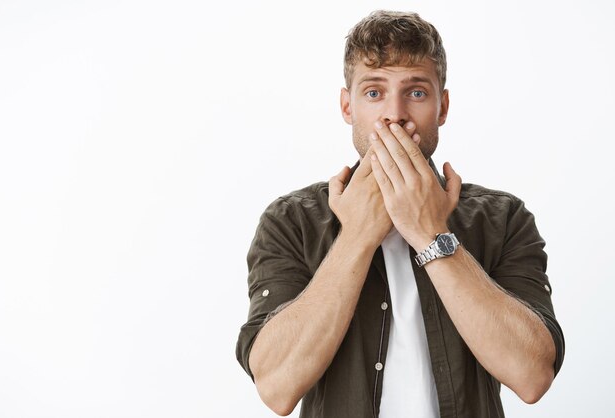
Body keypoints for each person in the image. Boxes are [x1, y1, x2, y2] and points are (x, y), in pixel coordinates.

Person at [236, 10, 565, 418]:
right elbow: (276, 388)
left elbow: (532, 377)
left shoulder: (504, 219)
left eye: (417, 92)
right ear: (347, 106)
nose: (395, 114)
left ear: (442, 107)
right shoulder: (290, 222)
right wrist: (356, 236)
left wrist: (431, 234)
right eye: (374, 93)